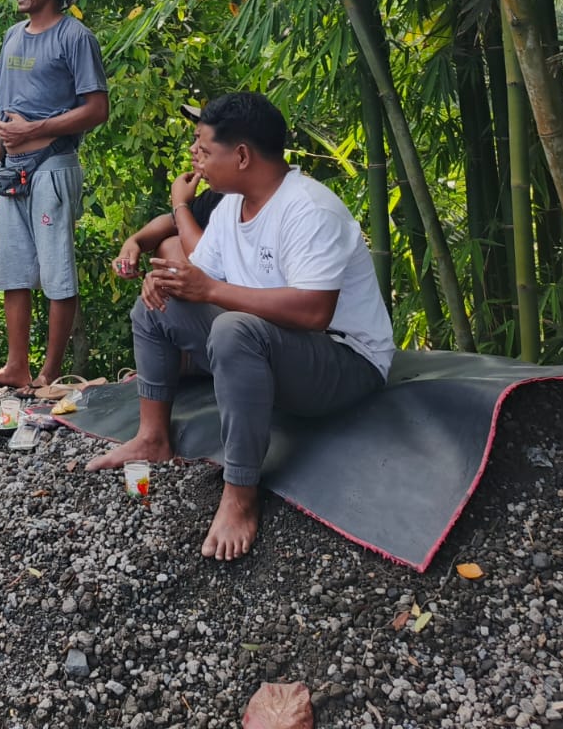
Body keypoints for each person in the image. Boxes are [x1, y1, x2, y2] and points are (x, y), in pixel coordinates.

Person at [87, 92, 393, 562]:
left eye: (205, 150)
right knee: (156, 306)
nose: (197, 161)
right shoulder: (231, 206)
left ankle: (240, 493)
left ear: (243, 155)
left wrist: (207, 291)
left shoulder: (308, 208)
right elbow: (201, 277)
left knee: (234, 330)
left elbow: (314, 313)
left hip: (342, 363)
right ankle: (154, 437)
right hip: (275, 348)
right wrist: (167, 283)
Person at [0, 0, 109, 393]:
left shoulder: (75, 37)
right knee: (13, 270)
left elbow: (97, 108)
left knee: (56, 273)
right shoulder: (12, 37)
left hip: (53, 166)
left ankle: (48, 373)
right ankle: (16, 366)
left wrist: (39, 128)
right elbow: (2, 110)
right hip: (12, 172)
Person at [111, 104, 223, 282]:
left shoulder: (242, 197)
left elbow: (205, 261)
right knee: (168, 248)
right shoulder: (220, 195)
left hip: (240, 303)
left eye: (202, 142)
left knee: (170, 250)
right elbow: (170, 222)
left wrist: (180, 205)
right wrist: (133, 243)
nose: (192, 149)